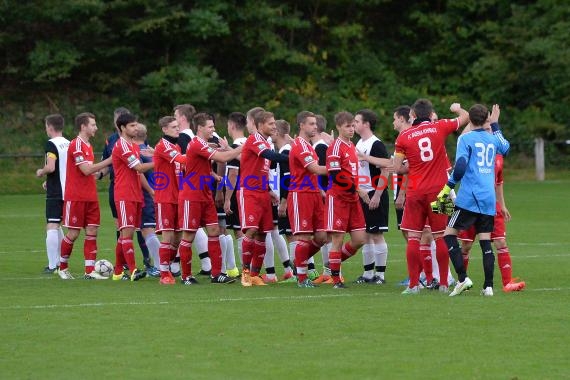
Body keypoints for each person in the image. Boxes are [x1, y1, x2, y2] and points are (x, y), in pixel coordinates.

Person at [390, 99, 469, 294]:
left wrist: (413, 166)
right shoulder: (439, 126)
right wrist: (457, 109)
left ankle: (414, 285)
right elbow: (465, 118)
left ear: (413, 115)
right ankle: (443, 283)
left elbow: (398, 168)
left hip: (416, 191)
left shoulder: (404, 137)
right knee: (441, 236)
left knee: (414, 238)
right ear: (430, 113)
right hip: (440, 191)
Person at [434, 104, 512, 296]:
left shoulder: (465, 138)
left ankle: (462, 278)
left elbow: (460, 167)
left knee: (448, 234)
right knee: (486, 241)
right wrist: (495, 124)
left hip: (469, 197)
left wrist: (448, 188)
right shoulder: (493, 139)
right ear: (486, 119)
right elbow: (506, 147)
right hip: (488, 197)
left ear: (471, 120)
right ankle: (488, 287)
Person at [177, 112, 243, 284]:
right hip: (192, 196)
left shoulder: (203, 144)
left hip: (205, 195)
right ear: (200, 128)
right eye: (210, 127)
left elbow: (201, 165)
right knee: (189, 235)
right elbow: (222, 158)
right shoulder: (197, 143)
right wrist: (244, 147)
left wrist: (214, 175)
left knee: (214, 232)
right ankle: (186, 276)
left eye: (213, 126)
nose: (213, 129)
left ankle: (216, 274)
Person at [458, 151, 526, 292]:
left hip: (490, 205)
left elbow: (499, 182)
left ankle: (507, 283)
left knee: (500, 242)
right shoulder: (472, 151)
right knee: (466, 245)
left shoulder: (498, 157)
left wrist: (502, 205)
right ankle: (462, 281)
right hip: (470, 204)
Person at [58, 112, 112, 280]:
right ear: (83, 126)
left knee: (92, 232)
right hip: (76, 197)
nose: (96, 128)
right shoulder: (76, 145)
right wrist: (111, 160)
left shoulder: (87, 146)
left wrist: (102, 172)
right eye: (93, 125)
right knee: (73, 234)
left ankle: (89, 272)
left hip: (91, 196)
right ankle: (62, 267)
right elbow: (86, 170)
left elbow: (91, 173)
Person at [238, 110, 289, 286]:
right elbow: (270, 157)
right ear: (260, 125)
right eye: (270, 124)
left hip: (262, 192)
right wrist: (292, 158)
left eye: (275, 123)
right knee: (251, 230)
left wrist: (269, 190)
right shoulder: (254, 140)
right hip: (249, 192)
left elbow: (263, 169)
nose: (274, 126)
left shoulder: (266, 143)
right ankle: (244, 272)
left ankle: (254, 275)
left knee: (262, 234)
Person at [100, 107, 154, 268]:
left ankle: (117, 271)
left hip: (136, 194)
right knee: (127, 233)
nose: (136, 128)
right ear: (122, 128)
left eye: (136, 125)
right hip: (124, 194)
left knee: (126, 233)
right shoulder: (121, 145)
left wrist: (151, 191)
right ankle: (132, 270)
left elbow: (139, 174)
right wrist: (161, 161)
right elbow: (139, 168)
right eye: (132, 126)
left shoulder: (134, 146)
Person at [325, 111, 367, 288]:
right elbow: (336, 175)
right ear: (338, 127)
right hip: (338, 199)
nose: (351, 129)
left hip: (352, 198)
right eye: (347, 126)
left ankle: (332, 264)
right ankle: (336, 279)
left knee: (359, 240)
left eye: (353, 125)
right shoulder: (335, 147)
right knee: (337, 239)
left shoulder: (351, 145)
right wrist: (358, 189)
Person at [288, 111, 330, 287]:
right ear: (302, 125)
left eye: (315, 124)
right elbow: (315, 169)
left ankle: (298, 261)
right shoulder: (299, 146)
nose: (315, 127)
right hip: (300, 195)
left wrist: (320, 190)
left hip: (313, 195)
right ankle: (302, 278)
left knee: (322, 237)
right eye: (311, 124)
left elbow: (310, 173)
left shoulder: (309, 146)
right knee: (304, 237)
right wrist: (339, 165)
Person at [353, 109, 391, 284]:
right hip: (362, 194)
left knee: (376, 235)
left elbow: (387, 168)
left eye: (357, 121)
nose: (354, 124)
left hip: (375, 193)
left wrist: (377, 194)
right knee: (366, 234)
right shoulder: (359, 143)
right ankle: (368, 273)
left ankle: (381, 275)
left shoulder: (376, 144)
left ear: (366, 124)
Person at [174, 103, 211, 276]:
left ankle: (176, 269)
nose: (175, 120)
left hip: (191, 188)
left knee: (188, 230)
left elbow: (187, 161)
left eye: (175, 117)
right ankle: (207, 266)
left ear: (182, 118)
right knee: (198, 229)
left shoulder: (184, 137)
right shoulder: (194, 139)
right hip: (198, 188)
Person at [153, 116, 186, 284]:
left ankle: (168, 267)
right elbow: (182, 160)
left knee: (178, 237)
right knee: (168, 236)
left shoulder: (177, 146)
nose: (177, 129)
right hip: (165, 197)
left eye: (178, 126)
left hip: (178, 196)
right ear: (164, 129)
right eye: (173, 127)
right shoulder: (163, 146)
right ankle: (164, 274)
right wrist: (202, 153)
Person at [261, 119, 295, 283]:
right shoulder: (282, 149)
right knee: (279, 232)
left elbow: (288, 178)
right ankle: (291, 271)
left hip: (283, 197)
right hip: (279, 194)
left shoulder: (286, 151)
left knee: (288, 234)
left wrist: (284, 201)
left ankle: (295, 273)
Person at [36, 114, 70, 274]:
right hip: (69, 190)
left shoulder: (51, 144)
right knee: (59, 225)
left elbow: (51, 167)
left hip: (56, 191)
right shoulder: (69, 143)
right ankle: (59, 261)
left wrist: (41, 172)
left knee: (52, 225)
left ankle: (52, 265)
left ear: (50, 127)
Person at [133, 123, 161, 277]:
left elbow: (139, 173)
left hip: (147, 194)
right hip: (156, 192)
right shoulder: (151, 151)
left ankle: (160, 266)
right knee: (148, 229)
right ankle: (164, 265)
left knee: (147, 229)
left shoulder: (138, 151)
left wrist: (150, 191)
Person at [223, 112, 248, 278]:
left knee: (239, 232)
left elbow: (232, 174)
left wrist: (226, 199)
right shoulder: (248, 142)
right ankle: (251, 269)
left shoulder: (235, 146)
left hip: (238, 192)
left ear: (231, 126)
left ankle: (246, 270)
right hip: (252, 190)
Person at [311, 114, 333, 283]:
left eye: (311, 124)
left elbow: (328, 172)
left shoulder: (320, 147)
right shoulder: (318, 146)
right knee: (325, 235)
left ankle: (333, 273)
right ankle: (328, 272)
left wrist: (322, 190)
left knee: (329, 235)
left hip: (325, 195)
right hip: (322, 195)